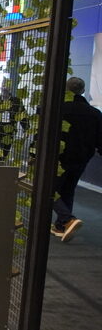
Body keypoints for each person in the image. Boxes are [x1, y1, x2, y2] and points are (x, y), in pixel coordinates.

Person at [52, 77, 102, 241]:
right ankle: (61, 226)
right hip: (81, 158)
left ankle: (67, 219)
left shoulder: (58, 109)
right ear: (82, 91)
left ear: (66, 90)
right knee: (68, 190)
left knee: (49, 190)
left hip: (58, 157)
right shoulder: (95, 113)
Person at [0, 82, 29, 161]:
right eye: (3, 86)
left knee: (5, 152)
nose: (4, 88)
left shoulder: (16, 101)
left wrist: (26, 128)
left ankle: (0, 163)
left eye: (6, 86)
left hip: (9, 131)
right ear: (0, 88)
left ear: (10, 88)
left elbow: (22, 115)